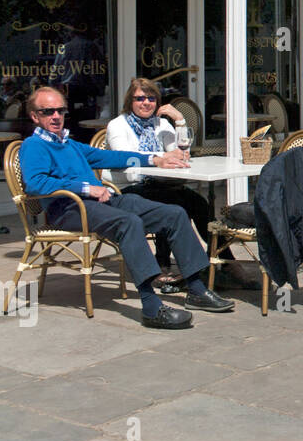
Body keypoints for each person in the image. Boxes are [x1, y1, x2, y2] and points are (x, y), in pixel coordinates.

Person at [20, 87, 233, 328]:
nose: (56, 116)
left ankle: (196, 289)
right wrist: (86, 188)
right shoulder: (34, 145)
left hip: (100, 201)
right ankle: (152, 307)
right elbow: (36, 182)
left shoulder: (69, 144)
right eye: (47, 112)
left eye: (60, 110)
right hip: (69, 209)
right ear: (35, 116)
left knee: (173, 213)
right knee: (128, 222)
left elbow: (112, 157)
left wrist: (154, 159)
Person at [106, 77, 249, 290]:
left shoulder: (161, 124)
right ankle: (164, 265)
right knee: (172, 205)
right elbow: (125, 158)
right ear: (130, 101)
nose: (146, 103)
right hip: (126, 187)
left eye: (151, 98)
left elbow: (182, 152)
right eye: (140, 98)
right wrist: (163, 155)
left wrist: (180, 120)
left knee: (198, 203)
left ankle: (226, 263)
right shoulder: (118, 125)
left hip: (159, 185)